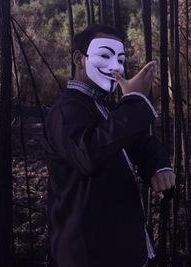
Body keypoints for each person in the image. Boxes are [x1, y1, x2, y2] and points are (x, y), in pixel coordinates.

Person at [43, 24, 176, 267]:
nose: (116, 67)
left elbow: (139, 143)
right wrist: (134, 102)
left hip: (122, 247)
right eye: (105, 55)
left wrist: (158, 166)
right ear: (78, 59)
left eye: (121, 59)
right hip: (88, 253)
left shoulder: (107, 108)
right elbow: (89, 155)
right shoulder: (66, 111)